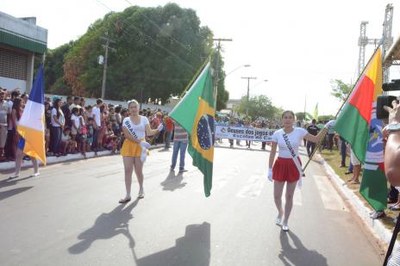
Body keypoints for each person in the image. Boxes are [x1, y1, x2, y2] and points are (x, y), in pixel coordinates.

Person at [267, 110, 334, 232]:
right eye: (285, 117)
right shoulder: (277, 133)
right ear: (282, 119)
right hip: (280, 164)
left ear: (293, 120)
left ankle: (286, 220)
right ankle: (280, 212)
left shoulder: (300, 131)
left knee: (289, 195)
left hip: (294, 165)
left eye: (290, 117)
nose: (287, 120)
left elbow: (316, 139)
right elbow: (272, 152)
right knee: (276, 196)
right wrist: (269, 169)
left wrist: (326, 127)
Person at [119, 99, 163, 203]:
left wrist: (157, 129)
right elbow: (127, 135)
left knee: (138, 171)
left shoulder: (144, 119)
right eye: (131, 107)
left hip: (141, 147)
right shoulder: (126, 120)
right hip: (129, 146)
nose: (133, 109)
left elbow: (149, 132)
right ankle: (128, 194)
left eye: (135, 107)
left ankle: (141, 188)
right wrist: (139, 141)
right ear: (129, 109)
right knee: (127, 170)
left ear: (138, 108)